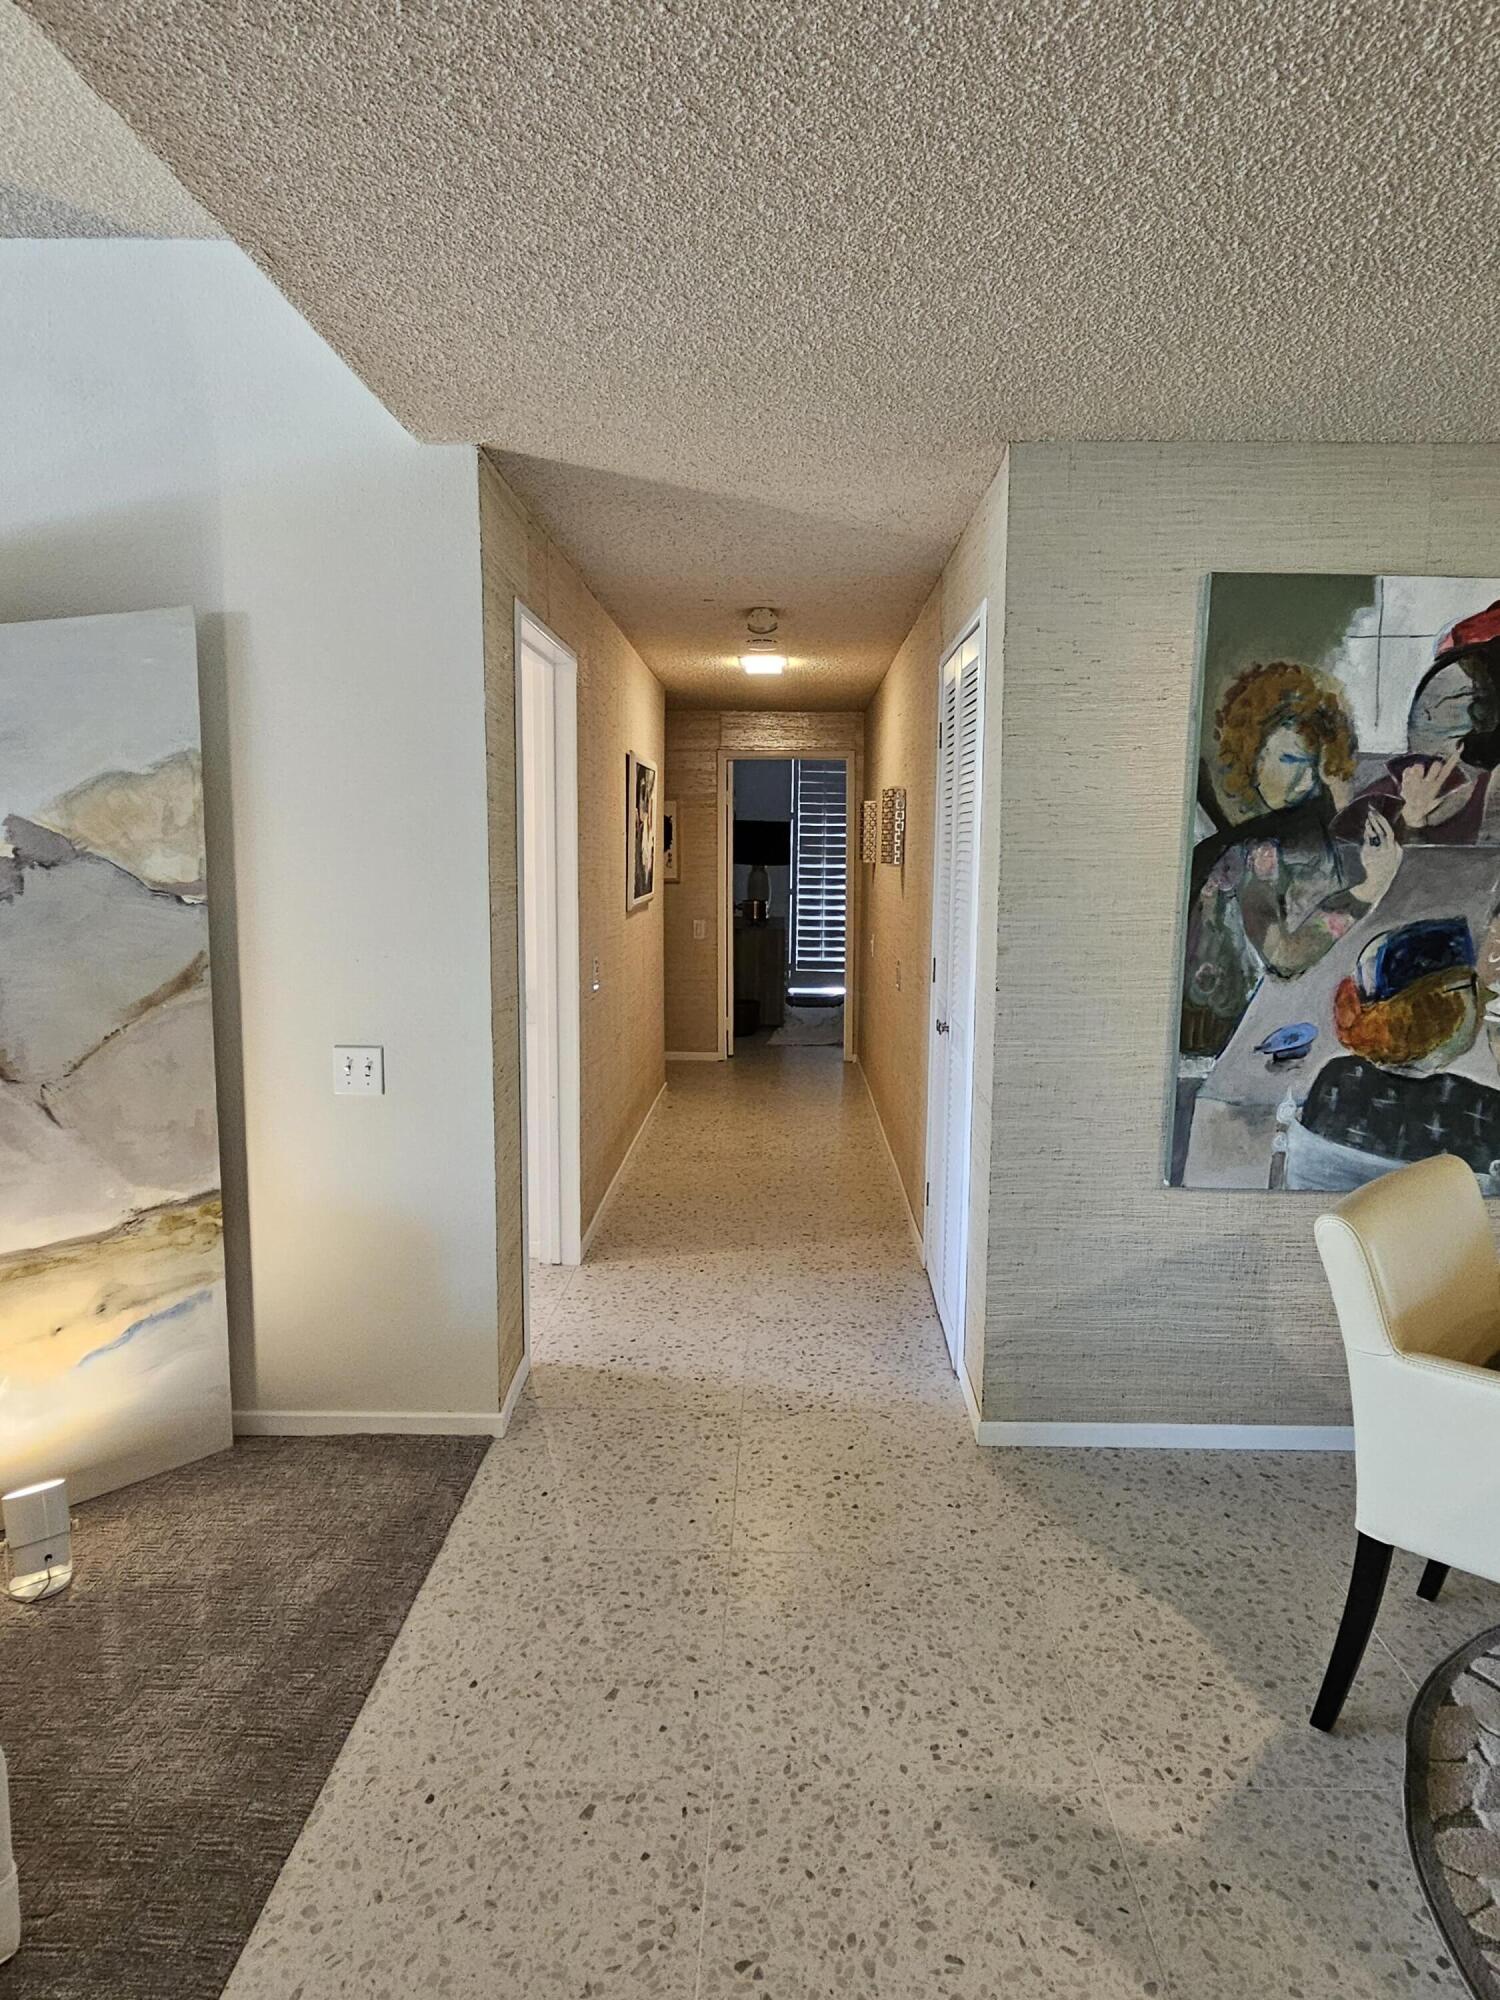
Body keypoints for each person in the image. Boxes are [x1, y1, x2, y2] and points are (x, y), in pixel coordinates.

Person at [1181, 660, 1401, 1057]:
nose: (1303, 782)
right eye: (1288, 762)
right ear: (1253, 755)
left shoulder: (1299, 825)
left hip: (1279, 1007)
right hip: (1225, 1037)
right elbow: (1283, 957)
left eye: (1312, 766)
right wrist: (1367, 892)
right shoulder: (1255, 853)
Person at [1346, 600, 1500, 844]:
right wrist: (1411, 823)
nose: (1426, 713)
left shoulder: (1489, 791)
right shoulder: (1381, 797)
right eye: (1429, 699)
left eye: (1455, 699)